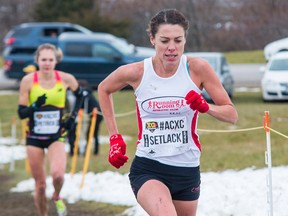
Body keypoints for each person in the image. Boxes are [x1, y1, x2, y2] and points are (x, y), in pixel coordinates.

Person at [98, 8, 238, 216]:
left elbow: (231, 115)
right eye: (165, 41)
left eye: (178, 40)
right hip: (149, 167)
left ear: (185, 40)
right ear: (152, 39)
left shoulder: (197, 68)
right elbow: (104, 88)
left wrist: (206, 107)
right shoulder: (138, 72)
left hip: (187, 169)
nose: (172, 48)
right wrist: (114, 137)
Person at [17, 43, 86, 216]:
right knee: (40, 185)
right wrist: (34, 106)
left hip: (56, 135)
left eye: (50, 59)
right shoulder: (28, 81)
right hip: (34, 137)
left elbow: (81, 96)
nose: (47, 63)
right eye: (43, 60)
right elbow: (21, 114)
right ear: (37, 60)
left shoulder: (65, 78)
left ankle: (56, 196)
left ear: (56, 61)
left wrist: (71, 118)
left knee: (58, 176)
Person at [67, 80, 103, 156]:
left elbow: (82, 104)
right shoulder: (87, 92)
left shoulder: (84, 93)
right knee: (92, 134)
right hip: (96, 114)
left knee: (91, 133)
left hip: (96, 115)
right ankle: (90, 151)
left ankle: (90, 151)